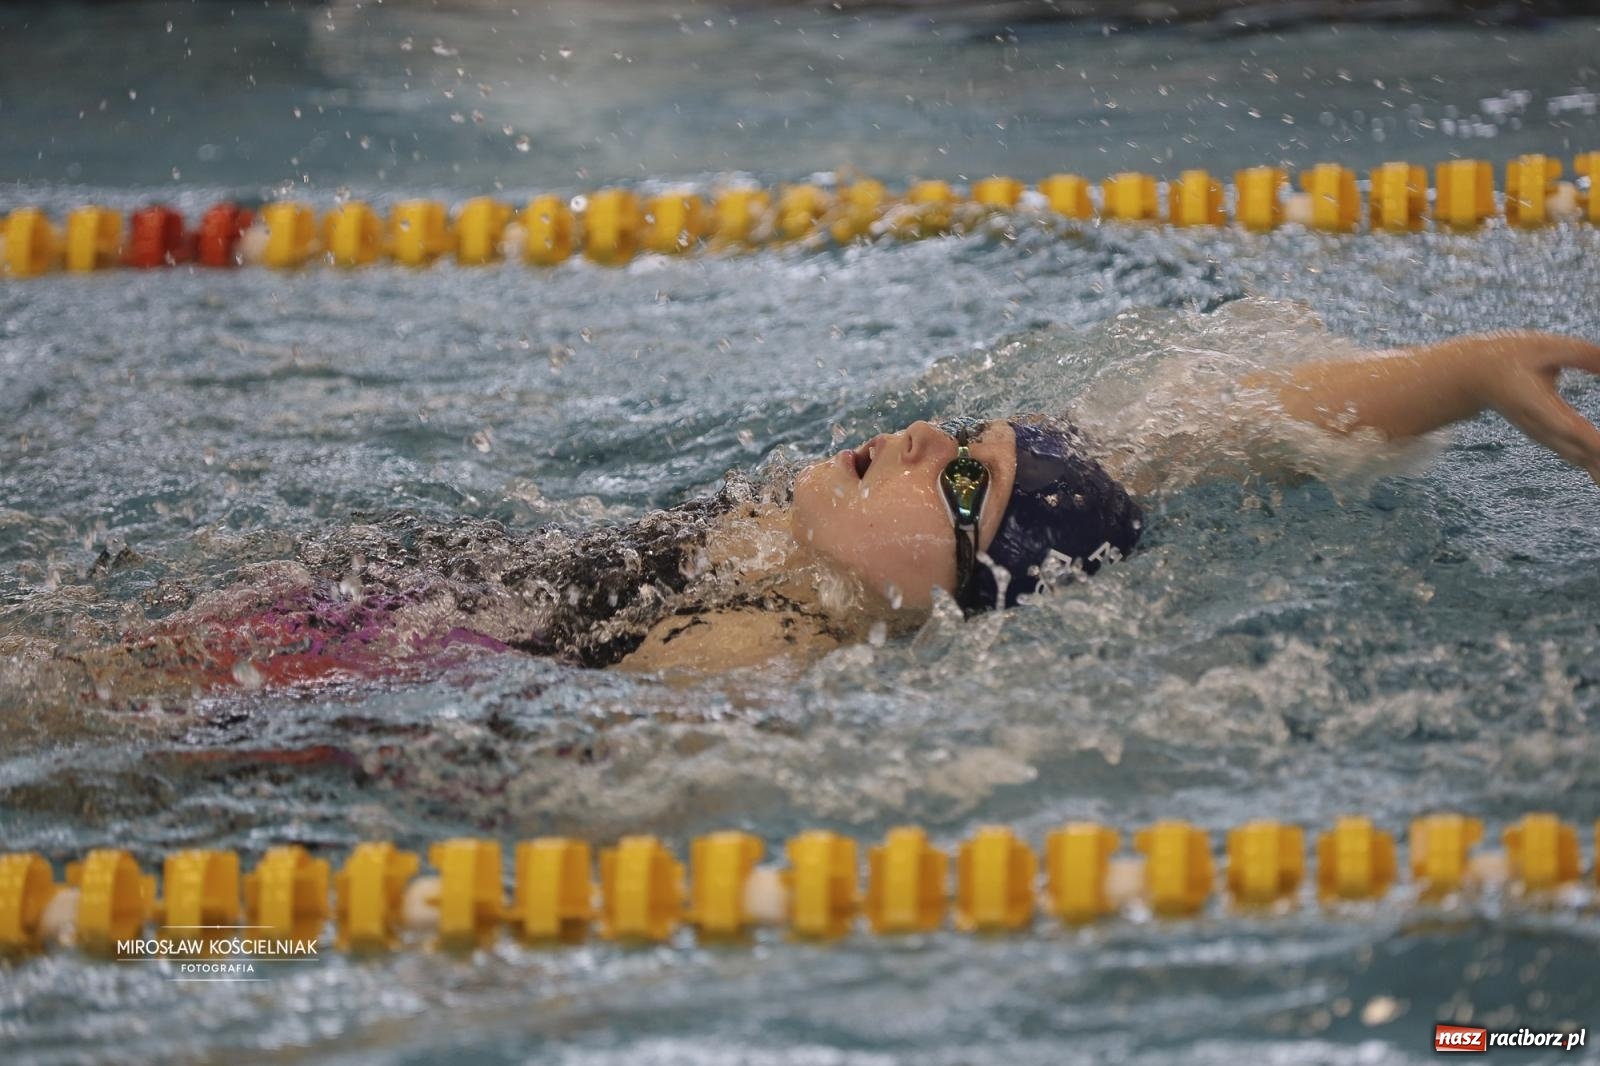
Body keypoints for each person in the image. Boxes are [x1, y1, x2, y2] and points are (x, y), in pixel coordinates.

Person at [32, 329, 1600, 701]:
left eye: (959, 477)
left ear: (967, 595)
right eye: (961, 435)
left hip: (287, 685)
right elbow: (1220, 425)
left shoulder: (756, 637)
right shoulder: (841, 551)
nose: (924, 433)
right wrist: (1469, 369)